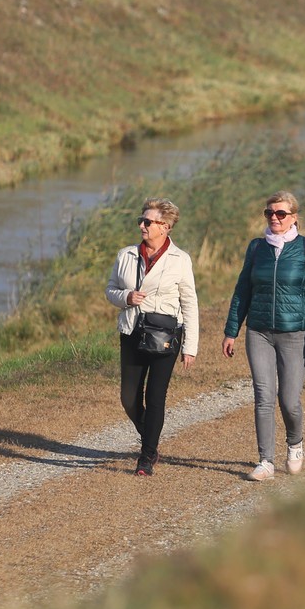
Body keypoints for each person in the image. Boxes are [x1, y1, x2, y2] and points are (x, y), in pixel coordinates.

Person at [222, 191, 305, 482]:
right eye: (269, 213)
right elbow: (242, 289)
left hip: (294, 334)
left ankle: (295, 444)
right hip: (258, 331)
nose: (274, 218)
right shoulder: (257, 248)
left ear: (294, 217)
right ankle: (265, 462)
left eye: (281, 214)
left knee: (289, 400)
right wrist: (231, 330)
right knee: (263, 396)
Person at [105, 198, 198, 477]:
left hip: (165, 336)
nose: (142, 226)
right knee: (129, 399)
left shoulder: (180, 260)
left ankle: (146, 457)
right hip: (132, 332)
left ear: (165, 227)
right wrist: (126, 297)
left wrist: (190, 347)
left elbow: (190, 303)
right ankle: (151, 439)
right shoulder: (126, 255)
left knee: (156, 396)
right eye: (141, 221)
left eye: (148, 222)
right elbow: (110, 289)